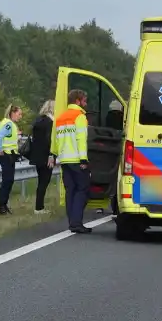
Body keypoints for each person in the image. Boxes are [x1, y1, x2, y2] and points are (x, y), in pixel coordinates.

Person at [52, 89, 92, 234]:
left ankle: (72, 222)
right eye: (84, 101)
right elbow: (81, 139)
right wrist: (83, 159)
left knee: (71, 191)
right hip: (76, 159)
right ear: (77, 101)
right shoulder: (79, 116)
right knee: (83, 190)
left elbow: (55, 139)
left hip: (64, 160)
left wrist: (55, 155)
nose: (85, 104)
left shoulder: (61, 117)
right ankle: (76, 223)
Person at [27, 100, 56, 214]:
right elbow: (50, 140)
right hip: (46, 156)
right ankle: (39, 208)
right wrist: (51, 154)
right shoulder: (50, 122)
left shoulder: (37, 121)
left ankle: (38, 206)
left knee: (40, 181)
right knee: (45, 181)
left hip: (36, 156)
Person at [0, 104, 23, 216]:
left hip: (10, 155)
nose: (20, 117)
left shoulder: (9, 123)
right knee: (7, 180)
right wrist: (0, 149)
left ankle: (4, 205)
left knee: (9, 180)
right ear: (13, 113)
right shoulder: (9, 124)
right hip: (7, 155)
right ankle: (2, 206)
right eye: (19, 114)